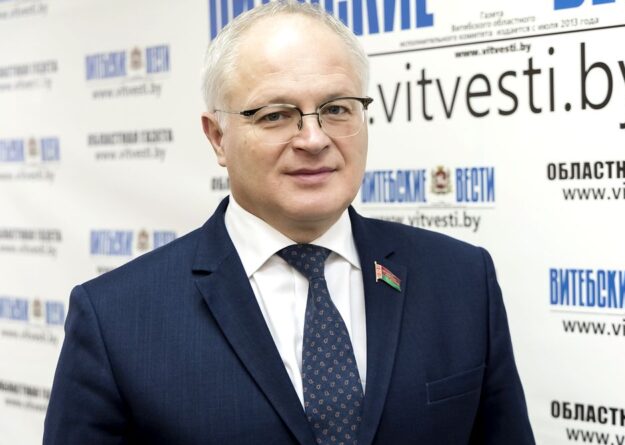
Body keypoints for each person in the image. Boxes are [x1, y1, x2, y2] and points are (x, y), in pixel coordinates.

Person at [43, 2, 535, 444]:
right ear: (217, 137)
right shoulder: (116, 320)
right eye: (276, 115)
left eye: (336, 109)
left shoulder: (462, 279)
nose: (314, 139)